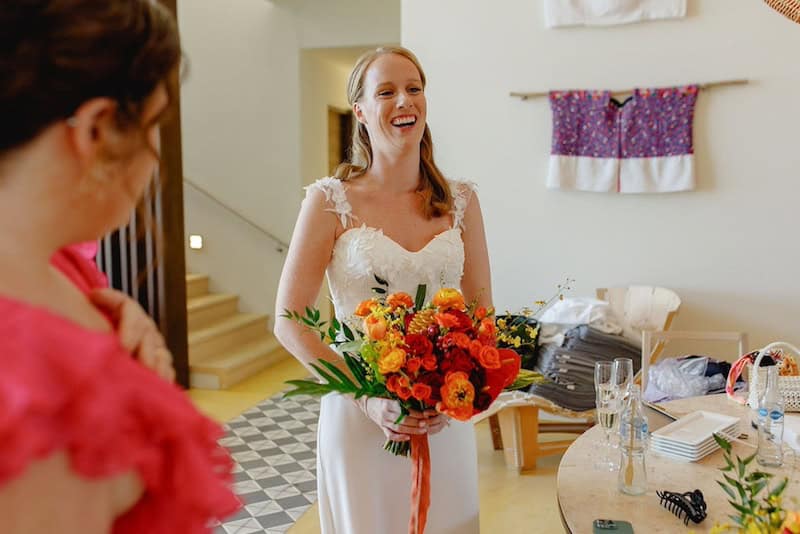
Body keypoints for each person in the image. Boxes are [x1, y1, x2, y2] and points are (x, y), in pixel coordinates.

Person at [0, 2, 240, 533]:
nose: (155, 158)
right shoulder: (25, 387)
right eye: (155, 125)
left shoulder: (64, 267)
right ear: (97, 129)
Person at [274, 46, 491, 533]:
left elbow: (482, 312)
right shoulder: (330, 201)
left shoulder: (461, 201)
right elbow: (289, 322)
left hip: (442, 417)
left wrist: (456, 386)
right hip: (359, 416)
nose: (404, 101)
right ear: (360, 111)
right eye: (386, 92)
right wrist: (367, 398)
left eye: (414, 88)